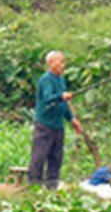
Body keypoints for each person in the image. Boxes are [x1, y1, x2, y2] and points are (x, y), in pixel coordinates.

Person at [28, 51, 84, 189]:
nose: (63, 65)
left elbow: (63, 104)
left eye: (64, 62)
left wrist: (72, 119)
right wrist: (61, 95)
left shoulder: (61, 80)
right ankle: (34, 185)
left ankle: (52, 184)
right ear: (51, 63)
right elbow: (48, 98)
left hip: (58, 125)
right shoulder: (45, 80)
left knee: (56, 157)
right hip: (44, 125)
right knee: (39, 156)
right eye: (60, 62)